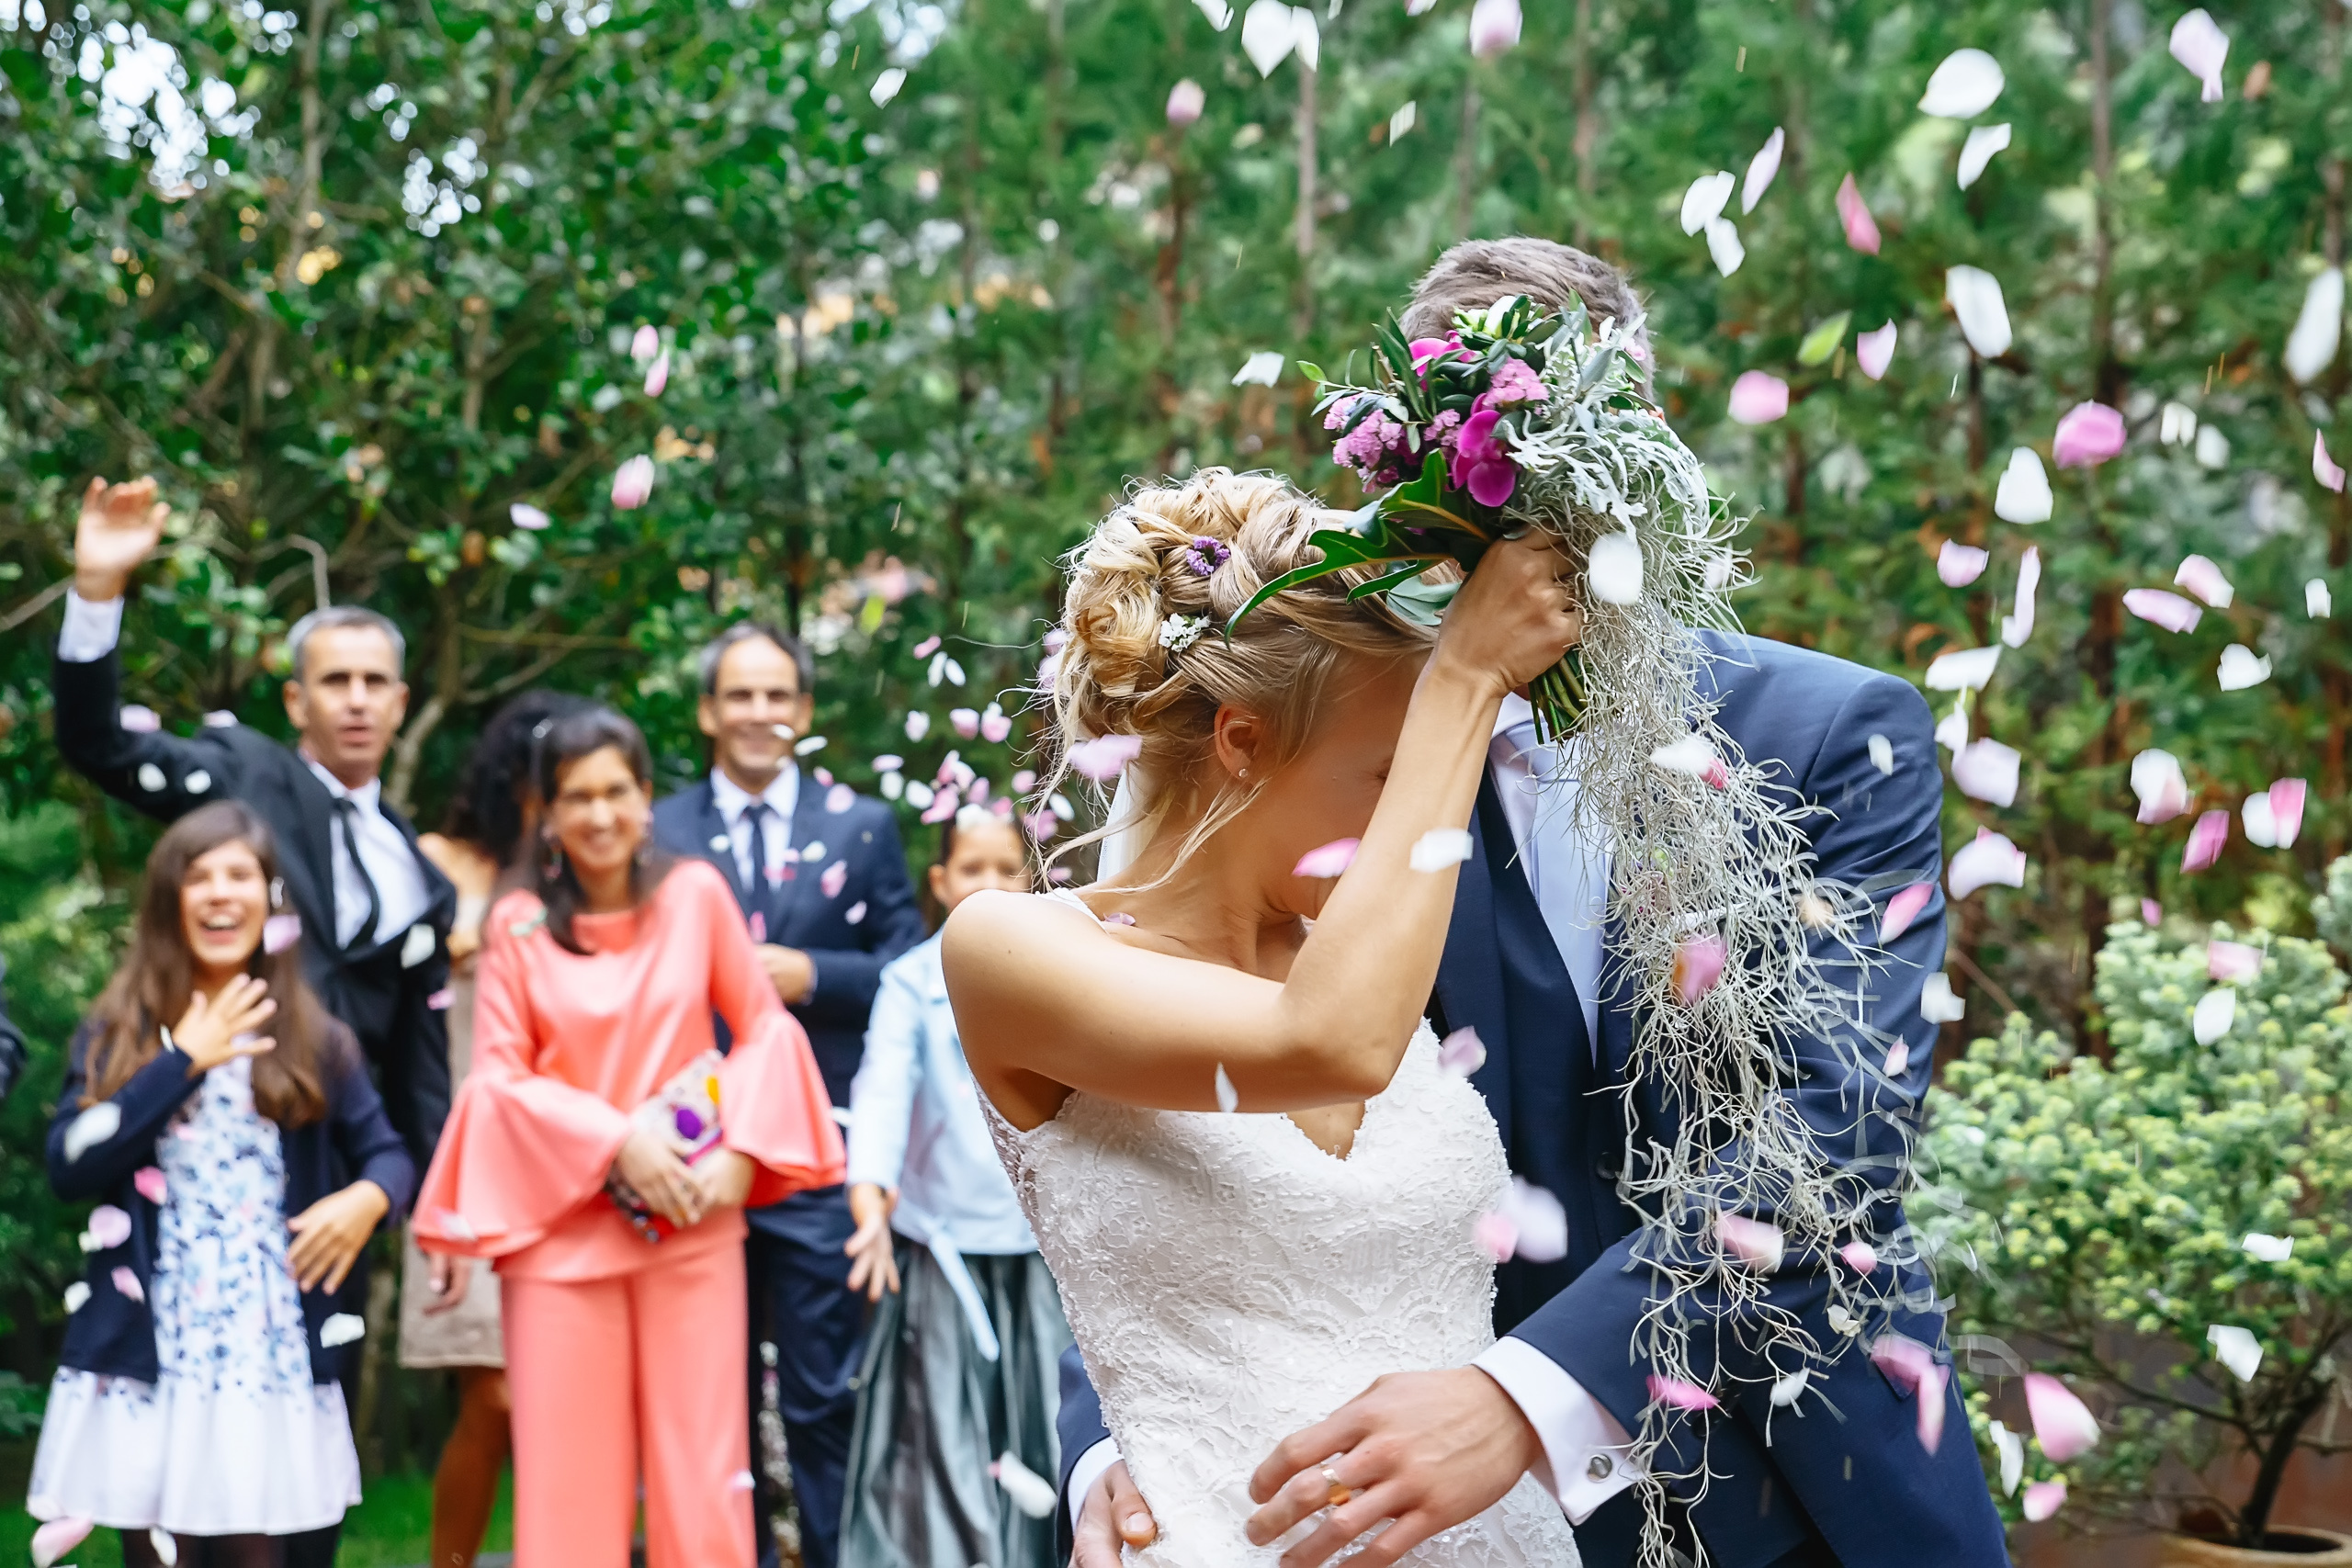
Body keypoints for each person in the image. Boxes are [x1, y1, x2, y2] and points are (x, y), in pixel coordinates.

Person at [1048, 243, 2008, 1568]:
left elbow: (1834, 1133)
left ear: (1643, 460)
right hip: (1428, 1514)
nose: (1497, 531)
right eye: (1451, 490)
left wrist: (1527, 1393)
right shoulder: (1329, 762)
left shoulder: (1834, 733)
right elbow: (1155, 1115)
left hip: (1807, 1488)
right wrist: (1126, 1433)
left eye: (1533, 475)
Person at [53, 477, 456, 1568]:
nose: (360, 700)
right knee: (174, 1495)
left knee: (298, 1510)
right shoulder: (243, 777)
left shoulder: (423, 877)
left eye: (378, 681)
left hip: (331, 1200)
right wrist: (98, 590)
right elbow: (97, 743)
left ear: (404, 695)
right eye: (337, 681)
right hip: (193, 1171)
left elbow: (425, 1081)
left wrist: (417, 1210)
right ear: (299, 700)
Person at [412, 705, 846, 1568]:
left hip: (690, 1224)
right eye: (578, 796)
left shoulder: (694, 895)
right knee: (567, 1490)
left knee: (702, 1480)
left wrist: (740, 1156)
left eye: (617, 790)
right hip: (559, 1240)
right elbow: (497, 1075)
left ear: (647, 797)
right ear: (547, 808)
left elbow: (761, 1026)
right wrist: (616, 1139)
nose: (600, 814)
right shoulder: (518, 923)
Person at [28, 801, 416, 1568]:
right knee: (160, 1551)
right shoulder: (120, 1027)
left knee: (253, 1550)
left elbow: (390, 1156)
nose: (219, 893)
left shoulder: (313, 1034)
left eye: (240, 874)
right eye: (198, 876)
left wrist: (367, 1198)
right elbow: (70, 1163)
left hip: (263, 1342)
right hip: (154, 1342)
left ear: (270, 899)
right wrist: (182, 1060)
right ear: (170, 901)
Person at [650, 622, 926, 1568]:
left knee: (820, 1391)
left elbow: (907, 966)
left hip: (815, 1145)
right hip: (694, 1148)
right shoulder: (657, 831)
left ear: (802, 712)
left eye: (777, 697)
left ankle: (837, 1551)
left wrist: (812, 973)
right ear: (707, 711)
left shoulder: (863, 825)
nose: (759, 714)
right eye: (740, 696)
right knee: (710, 1389)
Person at [838, 807, 1073, 1568]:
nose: (992, 885)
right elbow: (880, 1091)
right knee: (943, 1435)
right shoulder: (911, 982)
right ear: (939, 882)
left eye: (1008, 869)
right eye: (973, 869)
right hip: (942, 1258)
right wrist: (870, 1202)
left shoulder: (1061, 972)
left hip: (1042, 1255)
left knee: (1048, 1423)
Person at [398, 690, 594, 1568]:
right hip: (466, 1153)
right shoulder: (436, 863)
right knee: (498, 1394)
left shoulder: (584, 881)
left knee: (567, 1394)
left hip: (566, 1160)